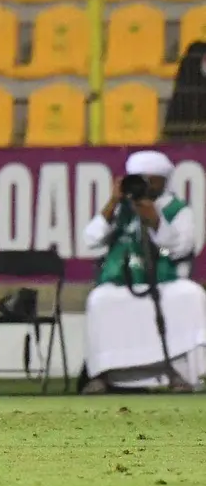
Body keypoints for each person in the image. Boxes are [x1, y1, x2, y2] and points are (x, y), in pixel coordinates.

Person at [82, 150, 206, 394]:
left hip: (165, 283)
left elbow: (182, 248)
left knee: (192, 294)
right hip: (123, 281)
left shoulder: (178, 209)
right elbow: (90, 240)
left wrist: (156, 221)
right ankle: (104, 374)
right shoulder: (120, 208)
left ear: (162, 181)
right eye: (138, 179)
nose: (144, 185)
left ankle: (182, 373)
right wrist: (113, 203)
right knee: (99, 300)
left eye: (150, 179)